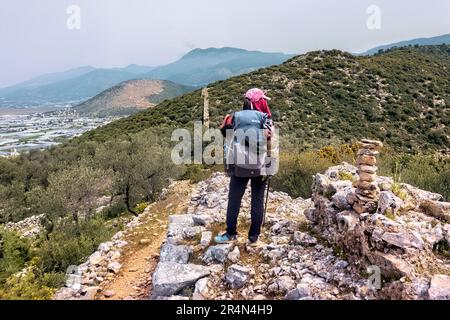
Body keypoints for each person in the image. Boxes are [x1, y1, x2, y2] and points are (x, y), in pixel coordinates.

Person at [215, 88, 273, 247]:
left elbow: (224, 132)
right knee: (258, 200)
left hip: (239, 165)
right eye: (264, 100)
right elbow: (269, 142)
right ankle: (254, 237)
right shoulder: (265, 118)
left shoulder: (235, 116)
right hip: (260, 166)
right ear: (260, 102)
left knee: (234, 199)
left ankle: (231, 234)